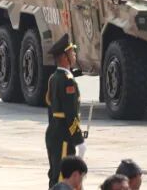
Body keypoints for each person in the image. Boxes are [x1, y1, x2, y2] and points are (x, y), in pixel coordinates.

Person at [46, 34, 84, 188]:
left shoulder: (53, 78)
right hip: (64, 136)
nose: (74, 55)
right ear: (64, 57)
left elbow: (51, 110)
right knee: (63, 178)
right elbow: (71, 114)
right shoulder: (67, 81)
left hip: (54, 132)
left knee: (55, 174)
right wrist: (78, 139)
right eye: (71, 52)